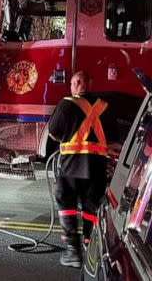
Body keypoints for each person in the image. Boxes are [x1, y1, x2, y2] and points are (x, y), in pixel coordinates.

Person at [48, 71, 119, 268]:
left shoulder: (67, 103)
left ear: (88, 83)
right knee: (90, 206)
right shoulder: (104, 107)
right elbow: (113, 136)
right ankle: (90, 246)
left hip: (71, 165)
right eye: (73, 83)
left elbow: (54, 132)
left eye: (77, 82)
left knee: (66, 201)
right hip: (96, 167)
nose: (75, 85)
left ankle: (73, 251)